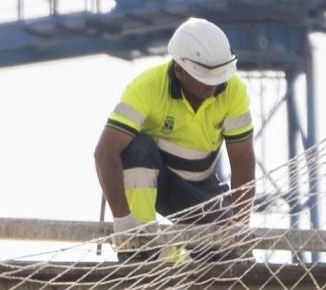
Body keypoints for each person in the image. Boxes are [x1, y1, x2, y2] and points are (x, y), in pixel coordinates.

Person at [93, 17, 255, 261]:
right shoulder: (147, 87)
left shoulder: (233, 92)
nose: (212, 86)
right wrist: (123, 221)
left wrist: (240, 225)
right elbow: (105, 152)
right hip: (154, 181)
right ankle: (141, 250)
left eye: (217, 78)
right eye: (204, 79)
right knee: (136, 149)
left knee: (226, 254)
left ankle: (175, 256)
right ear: (179, 70)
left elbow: (242, 159)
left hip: (198, 187)